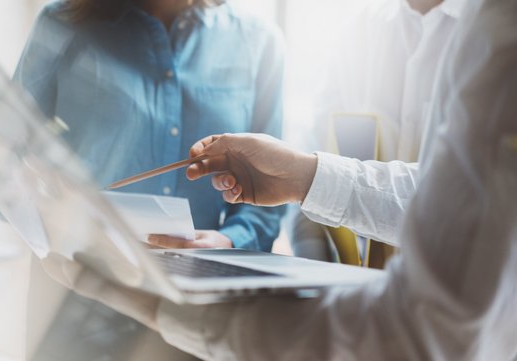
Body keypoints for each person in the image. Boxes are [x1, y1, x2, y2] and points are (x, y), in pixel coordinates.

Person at [65, 0, 517, 358]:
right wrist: (306, 176)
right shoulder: (360, 38)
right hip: (332, 324)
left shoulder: (498, 31)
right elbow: (443, 195)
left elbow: (418, 336)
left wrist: (158, 306)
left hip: (337, 333)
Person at [14, 0, 285, 251]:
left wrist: (230, 241)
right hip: (73, 278)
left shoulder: (258, 42)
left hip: (199, 288)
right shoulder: (62, 22)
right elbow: (6, 154)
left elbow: (266, 191)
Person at [292, 0, 467, 262]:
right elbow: (316, 153)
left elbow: (466, 196)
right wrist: (313, 273)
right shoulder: (355, 32)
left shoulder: (496, 35)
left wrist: (303, 177)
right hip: (363, 288)